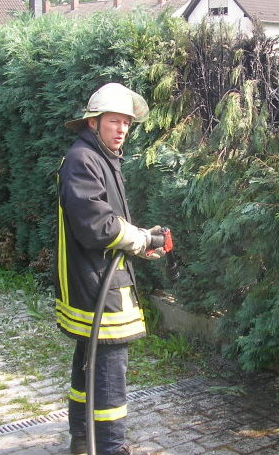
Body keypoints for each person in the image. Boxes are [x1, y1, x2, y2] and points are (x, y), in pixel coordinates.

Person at [57, 82, 165, 455]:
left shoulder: (100, 159)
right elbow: (97, 226)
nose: (121, 129)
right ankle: (109, 447)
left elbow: (110, 223)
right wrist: (141, 240)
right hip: (96, 284)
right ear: (93, 123)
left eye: (126, 124)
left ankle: (82, 442)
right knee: (109, 373)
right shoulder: (83, 160)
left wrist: (141, 239)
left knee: (89, 367)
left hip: (97, 277)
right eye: (114, 121)